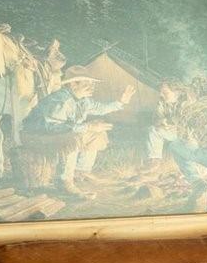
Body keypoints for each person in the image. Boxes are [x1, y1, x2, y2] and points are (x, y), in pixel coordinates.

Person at [27, 68, 134, 197]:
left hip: (58, 132)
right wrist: (88, 126)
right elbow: (53, 127)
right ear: (73, 84)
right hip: (37, 136)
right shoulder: (61, 100)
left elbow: (101, 109)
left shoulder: (84, 100)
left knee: (97, 134)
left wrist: (121, 102)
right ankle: (64, 181)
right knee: (74, 138)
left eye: (92, 83)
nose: (91, 87)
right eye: (87, 83)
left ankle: (81, 172)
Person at [143, 80, 193, 170]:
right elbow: (156, 118)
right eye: (160, 92)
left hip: (190, 135)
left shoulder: (187, 102)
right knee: (153, 130)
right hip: (174, 132)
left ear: (177, 92)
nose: (161, 95)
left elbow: (189, 121)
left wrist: (174, 125)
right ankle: (154, 160)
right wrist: (161, 121)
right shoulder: (161, 102)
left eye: (165, 92)